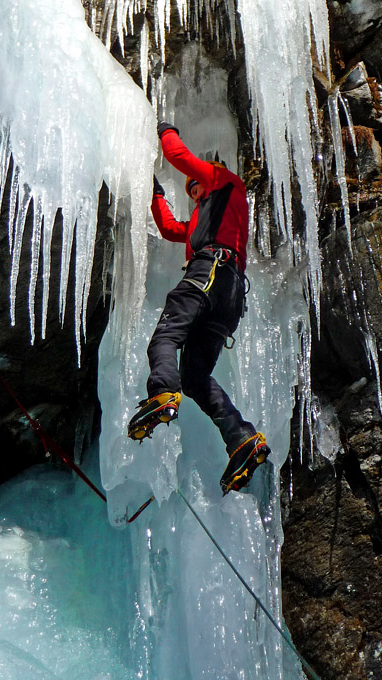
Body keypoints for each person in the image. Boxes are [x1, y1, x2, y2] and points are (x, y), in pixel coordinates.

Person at [127, 121, 270, 493]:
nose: (193, 192)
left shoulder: (225, 181)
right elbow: (170, 229)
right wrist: (154, 191)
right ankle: (240, 438)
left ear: (209, 178)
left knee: (165, 335)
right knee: (194, 376)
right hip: (229, 296)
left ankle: (161, 391)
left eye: (196, 185)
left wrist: (163, 129)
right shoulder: (201, 218)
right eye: (190, 191)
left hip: (213, 272)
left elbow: (179, 155)